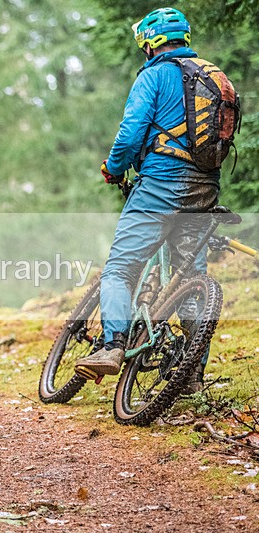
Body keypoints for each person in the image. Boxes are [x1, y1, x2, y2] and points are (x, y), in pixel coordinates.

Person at [74, 8, 219, 392]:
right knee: (190, 279)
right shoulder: (212, 76)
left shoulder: (154, 75)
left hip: (159, 185)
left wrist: (114, 168)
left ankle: (112, 346)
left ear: (150, 42)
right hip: (205, 187)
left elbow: (130, 132)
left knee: (119, 269)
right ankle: (192, 372)